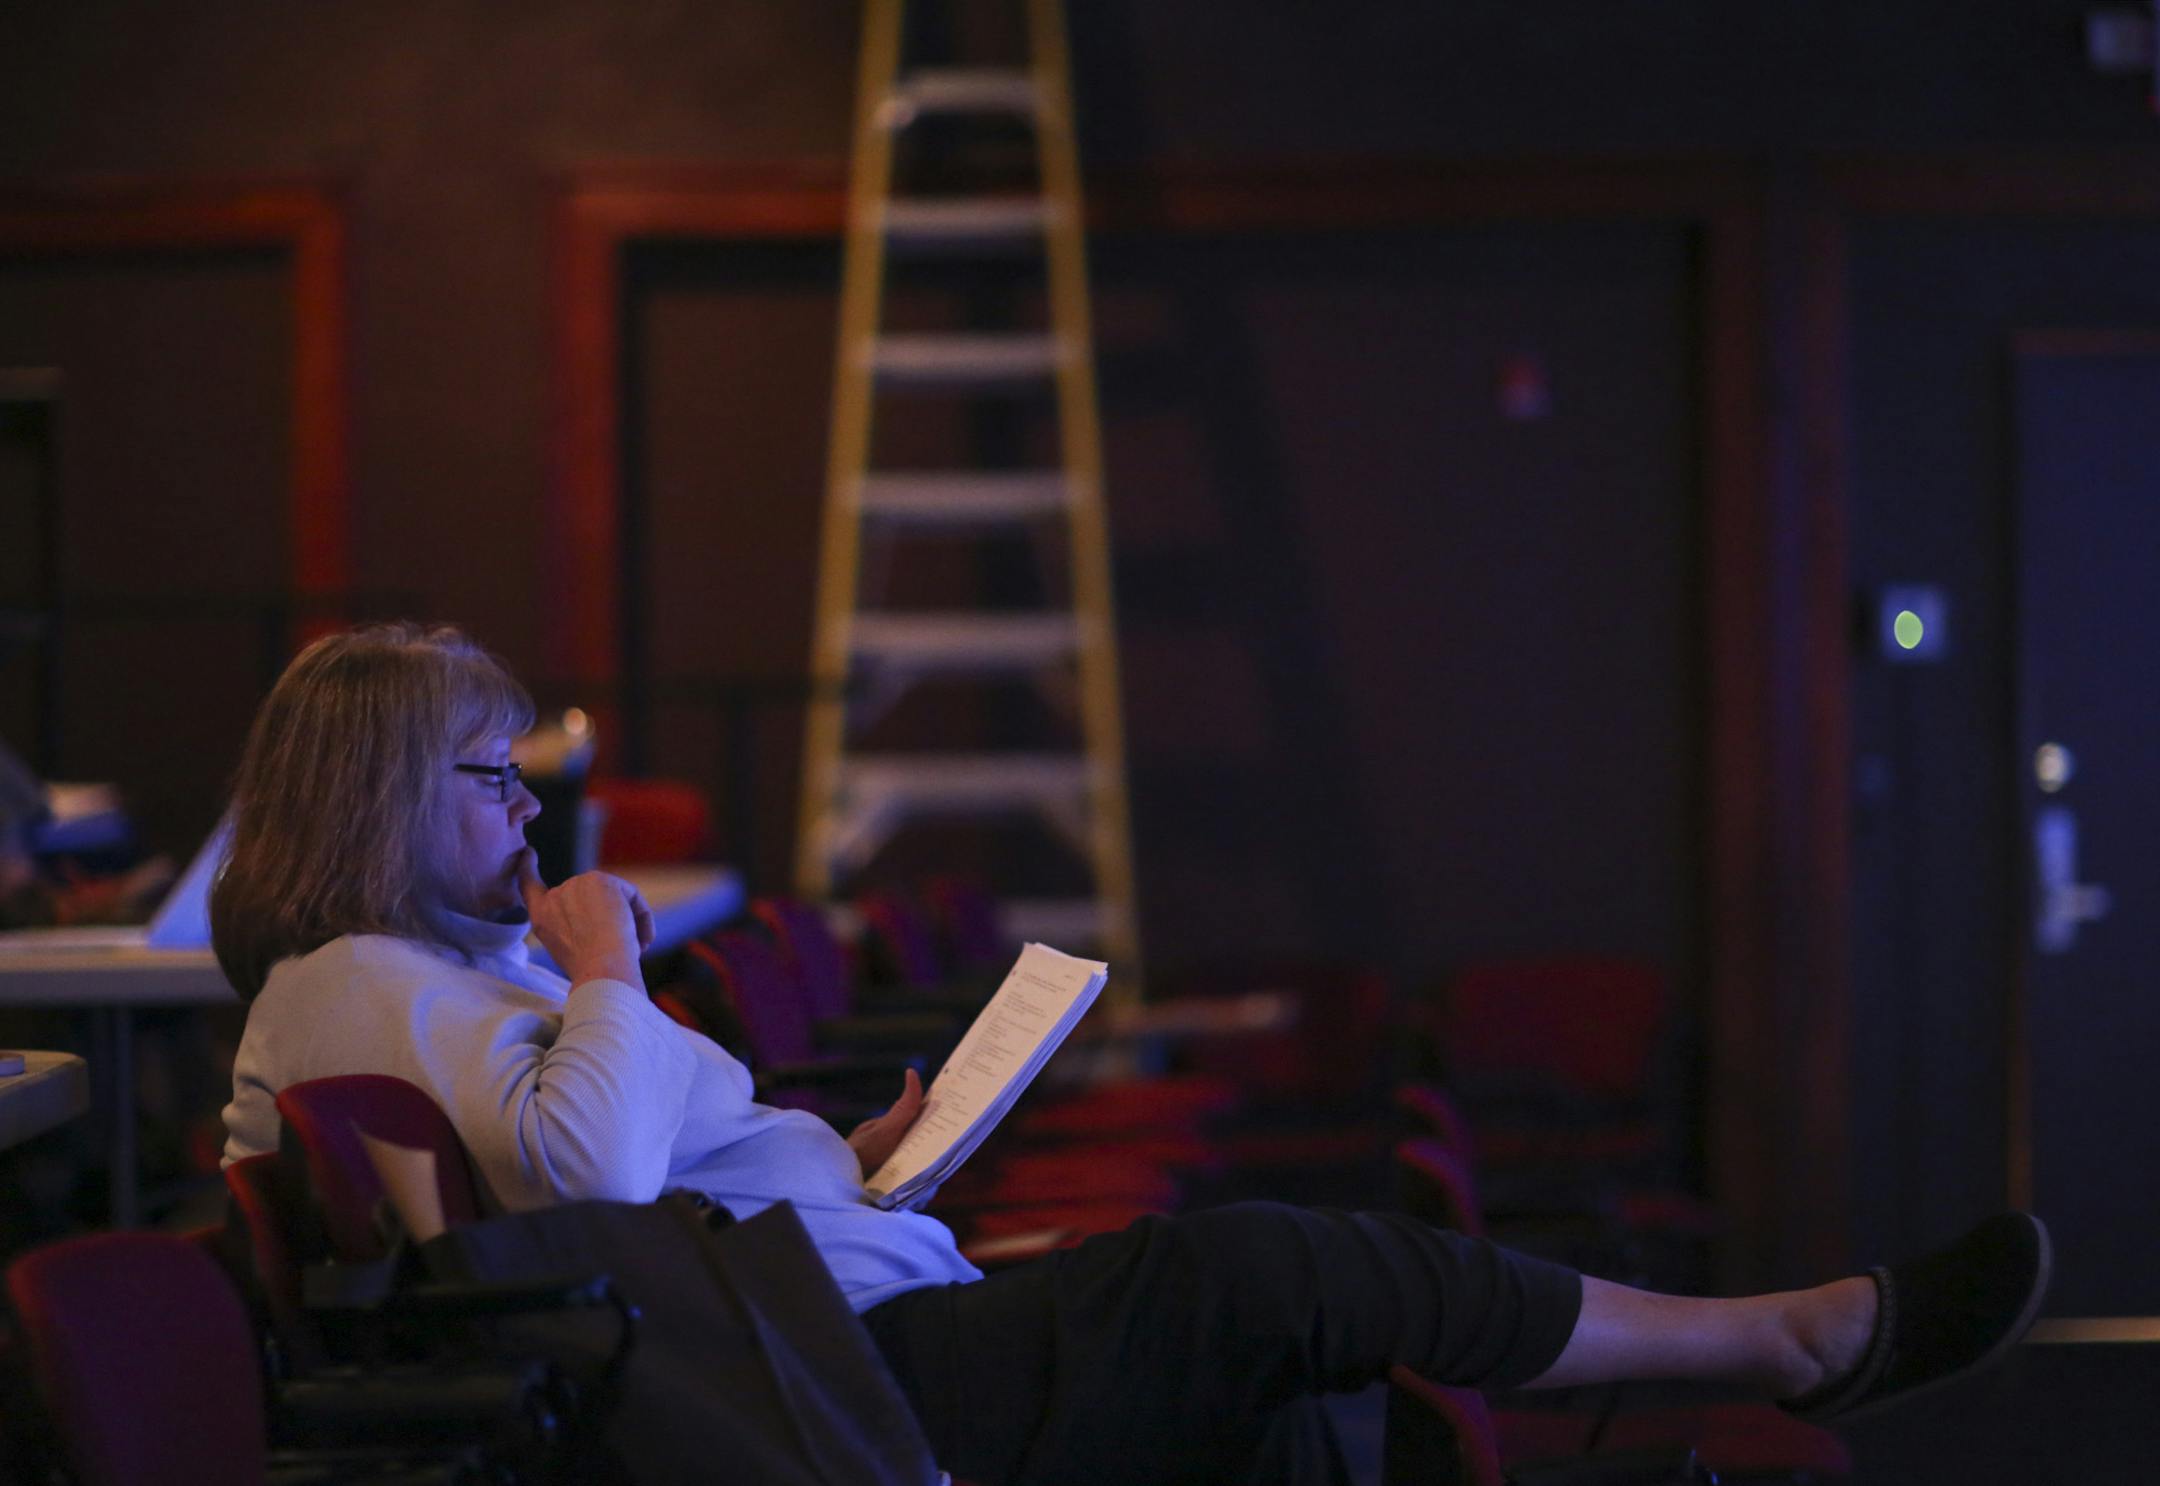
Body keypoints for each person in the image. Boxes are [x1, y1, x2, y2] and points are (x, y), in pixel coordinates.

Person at [217, 624, 2051, 1485]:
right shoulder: (348, 981)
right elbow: (597, 1185)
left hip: (836, 1314)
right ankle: (1780, 1340)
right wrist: (610, 966)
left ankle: (1693, 1410)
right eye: (489, 772)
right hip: (821, 1396)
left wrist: (845, 1155)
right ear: (388, 792)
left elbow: (617, 1186)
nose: (525, 800)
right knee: (1271, 1266)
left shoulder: (437, 970)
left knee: (1301, 1413)